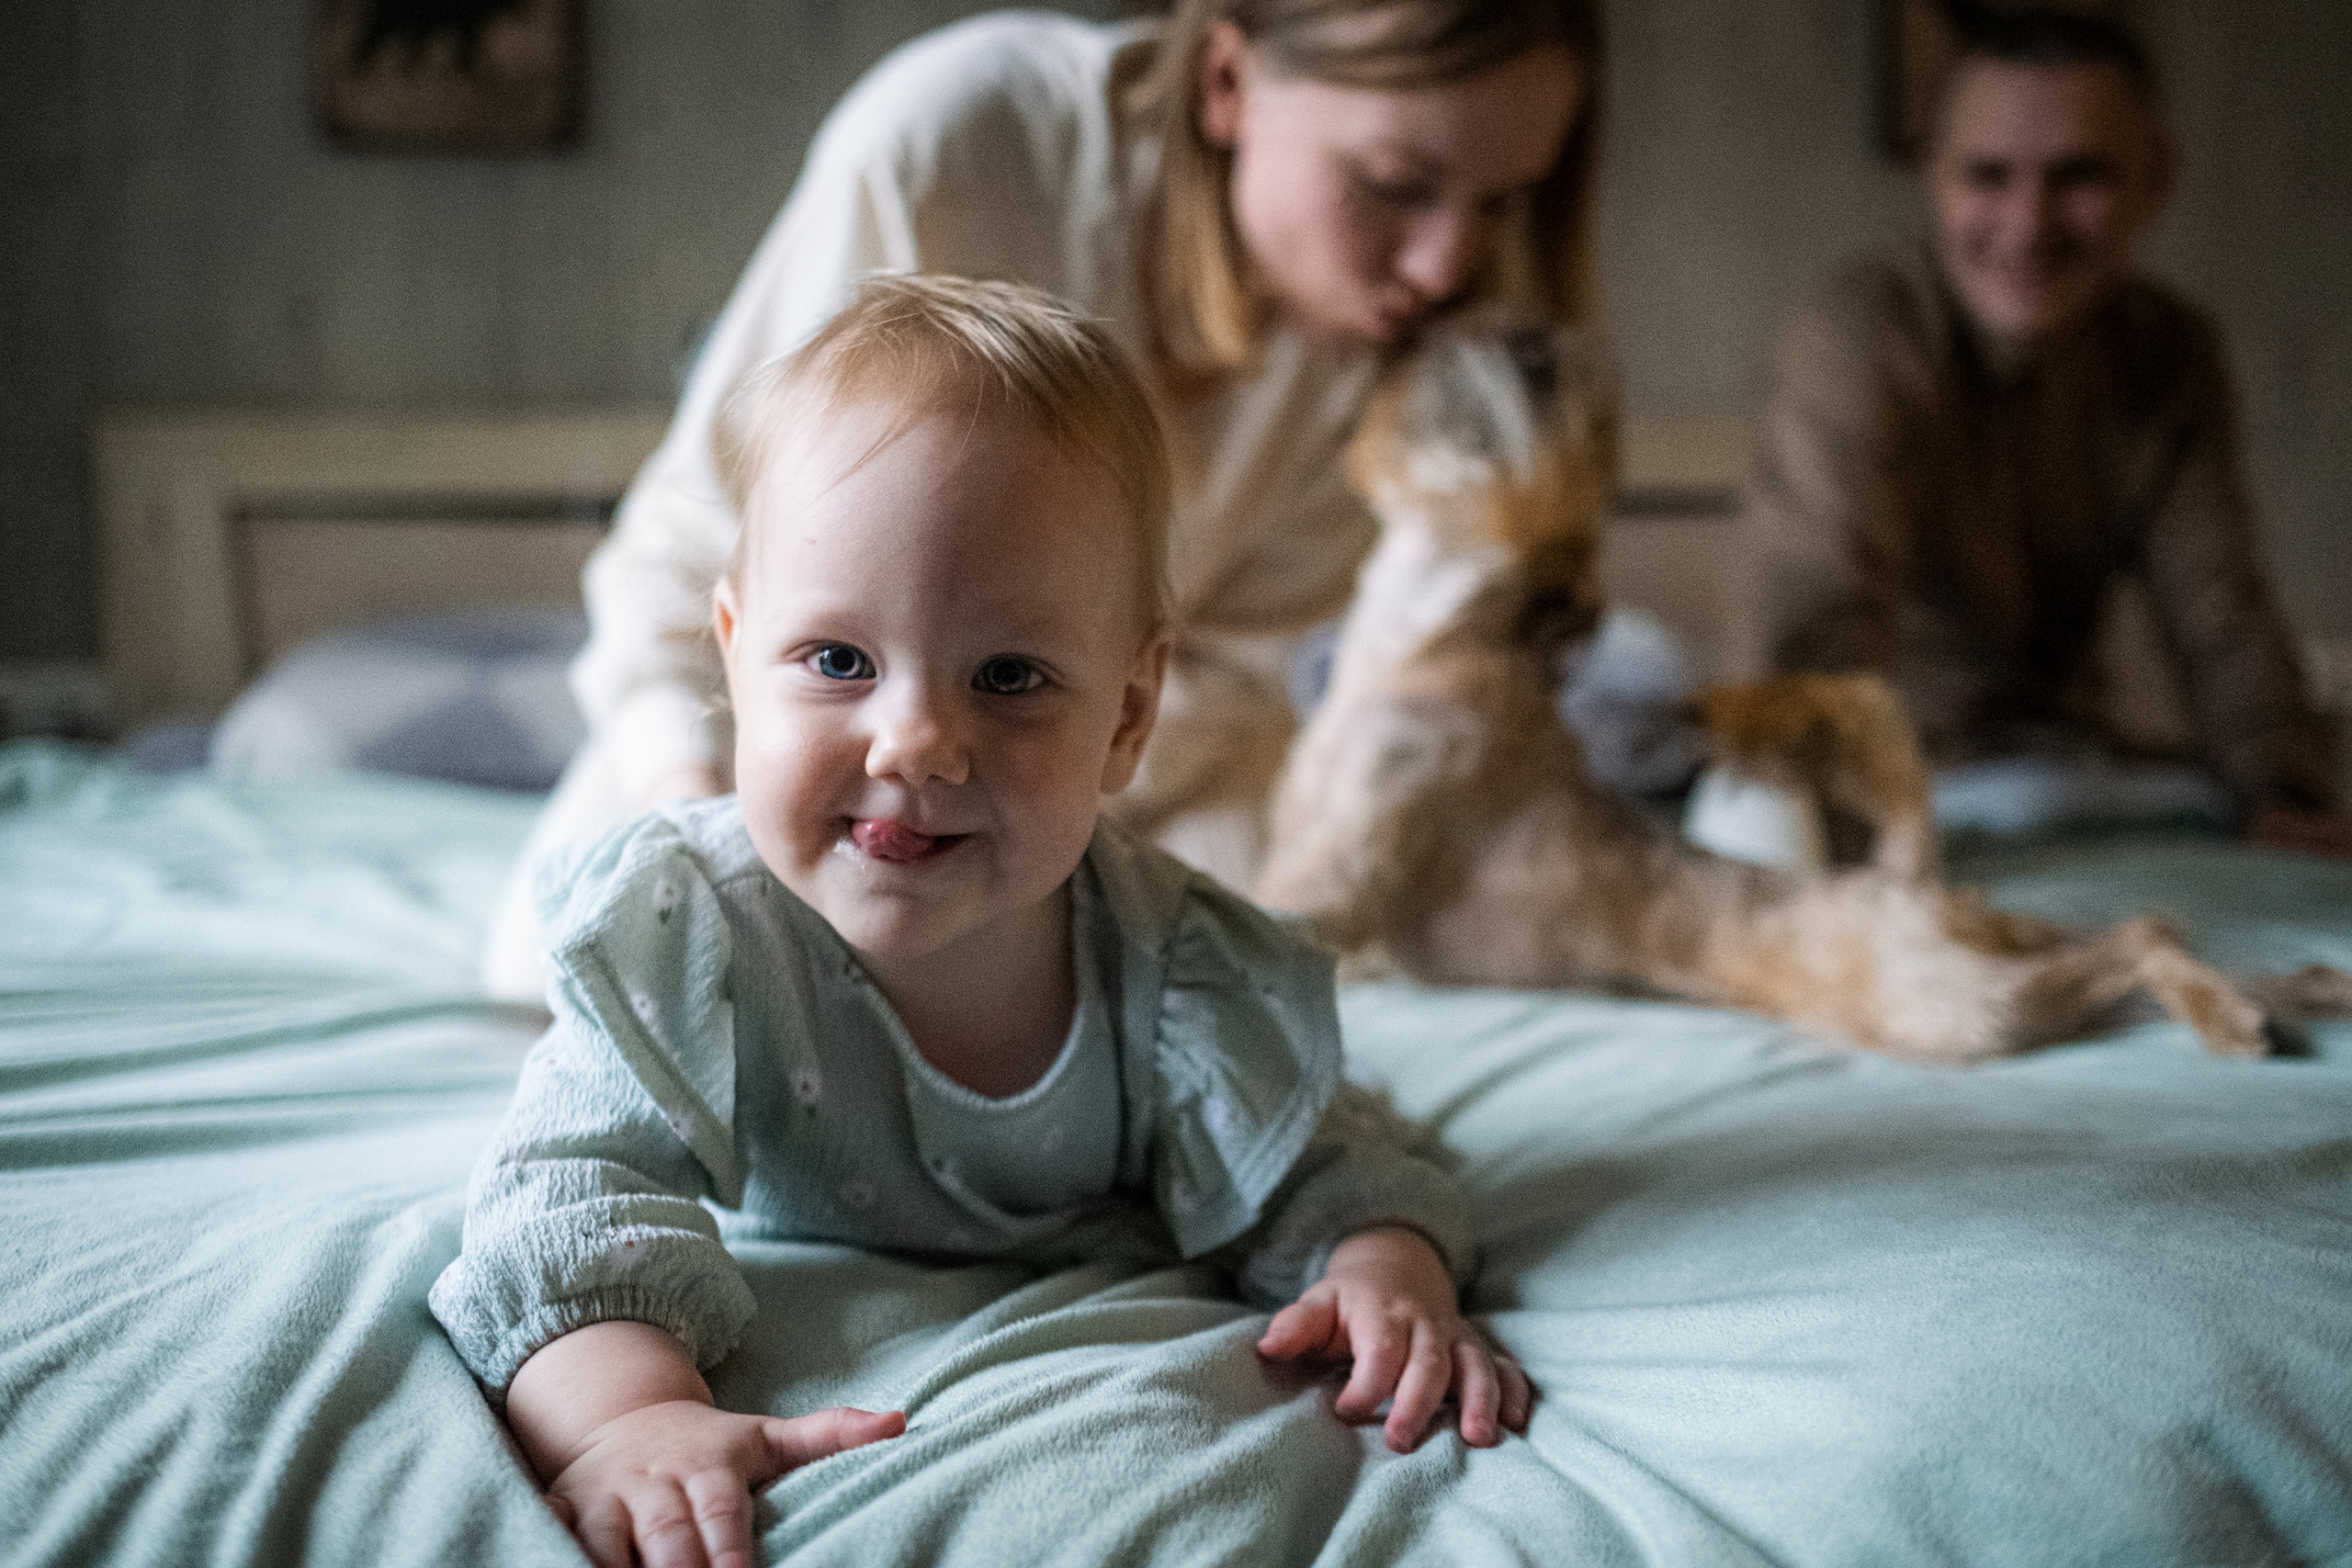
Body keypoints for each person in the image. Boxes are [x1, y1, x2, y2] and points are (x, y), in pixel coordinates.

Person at [433, 277, 1528, 1568]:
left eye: (1009, 676)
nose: (917, 741)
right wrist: (631, 1417)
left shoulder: (1175, 967)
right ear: (734, 655)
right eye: (837, 659)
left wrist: (1382, 1266)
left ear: (1126, 714)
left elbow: (1327, 1159)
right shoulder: (693, 930)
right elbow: (564, 1202)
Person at [483, 0, 1607, 998]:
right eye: (1391, 186)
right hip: (773, 752)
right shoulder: (961, 151)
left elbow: (1247, 690)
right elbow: (694, 560)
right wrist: (711, 828)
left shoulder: (1422, 337)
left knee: (1247, 1013)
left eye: (1502, 202)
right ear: (1226, 83)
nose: (1442, 264)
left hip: (1107, 774)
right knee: (588, 956)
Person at [1733, 6, 2346, 853]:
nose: (2028, 224)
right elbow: (1818, 618)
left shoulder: (2168, 351)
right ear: (1933, 177)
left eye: (2079, 176)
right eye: (1988, 175)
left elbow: (2222, 618)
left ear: (2155, 180)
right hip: (1906, 785)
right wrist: (1835, 829)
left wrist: (2286, 787)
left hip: (2070, 767)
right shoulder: (1862, 336)